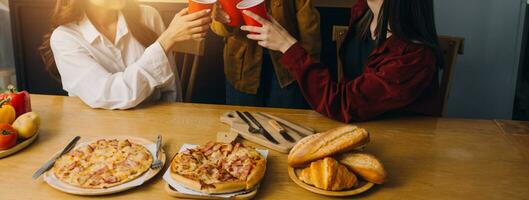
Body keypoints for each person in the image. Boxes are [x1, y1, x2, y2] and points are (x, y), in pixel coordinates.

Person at [240, 0, 442, 122]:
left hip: (404, 142)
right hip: (361, 124)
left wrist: (287, 46)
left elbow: (341, 103)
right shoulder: (364, 13)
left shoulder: (413, 57)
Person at [39, 0, 212, 109]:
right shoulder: (65, 38)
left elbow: (170, 87)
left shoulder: (148, 15)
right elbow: (112, 94)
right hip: (101, 138)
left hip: (156, 126)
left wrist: (173, 122)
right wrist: (166, 40)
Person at [211, 0, 321, 109]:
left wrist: (308, 69)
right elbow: (219, 28)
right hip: (241, 67)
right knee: (242, 122)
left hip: (286, 68)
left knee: (284, 122)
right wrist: (224, 20)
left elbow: (309, 26)